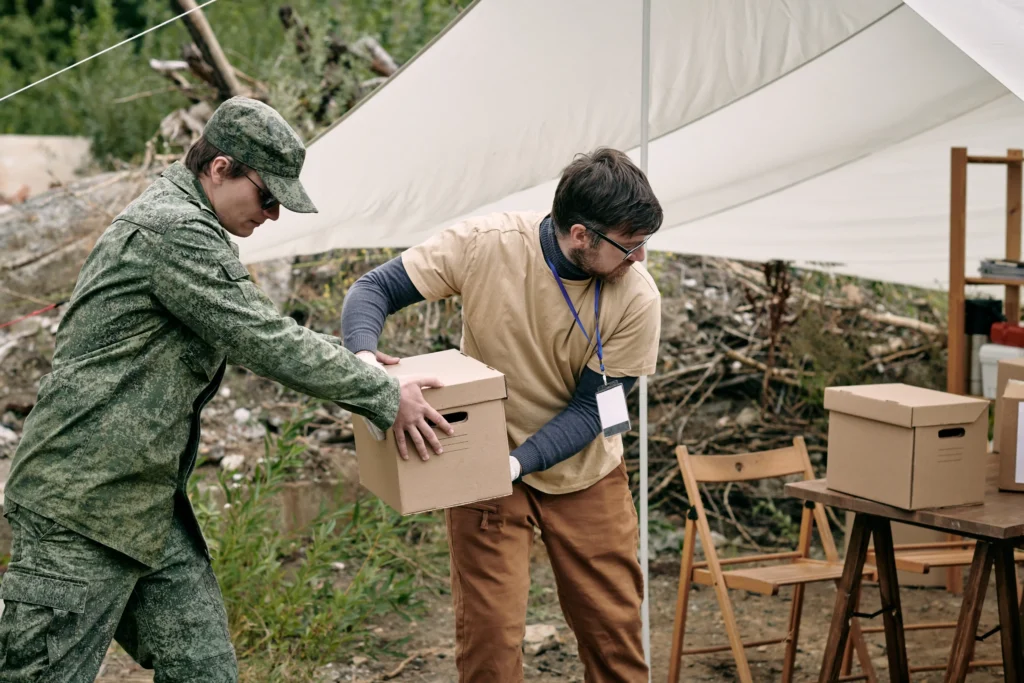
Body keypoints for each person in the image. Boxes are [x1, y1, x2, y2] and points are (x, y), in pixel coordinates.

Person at [0, 97, 449, 683]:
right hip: (80, 505)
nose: (273, 215)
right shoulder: (173, 229)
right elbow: (262, 338)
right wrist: (384, 395)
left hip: (144, 506)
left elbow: (261, 328)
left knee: (204, 671)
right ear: (219, 168)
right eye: (267, 197)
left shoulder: (190, 225)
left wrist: (362, 367)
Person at [341, 148, 662, 682]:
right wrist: (369, 367)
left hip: (585, 473)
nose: (641, 259)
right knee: (488, 643)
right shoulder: (485, 246)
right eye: (629, 246)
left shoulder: (636, 299)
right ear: (581, 234)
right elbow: (373, 289)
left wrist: (515, 465)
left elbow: (593, 410)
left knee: (614, 635)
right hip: (484, 470)